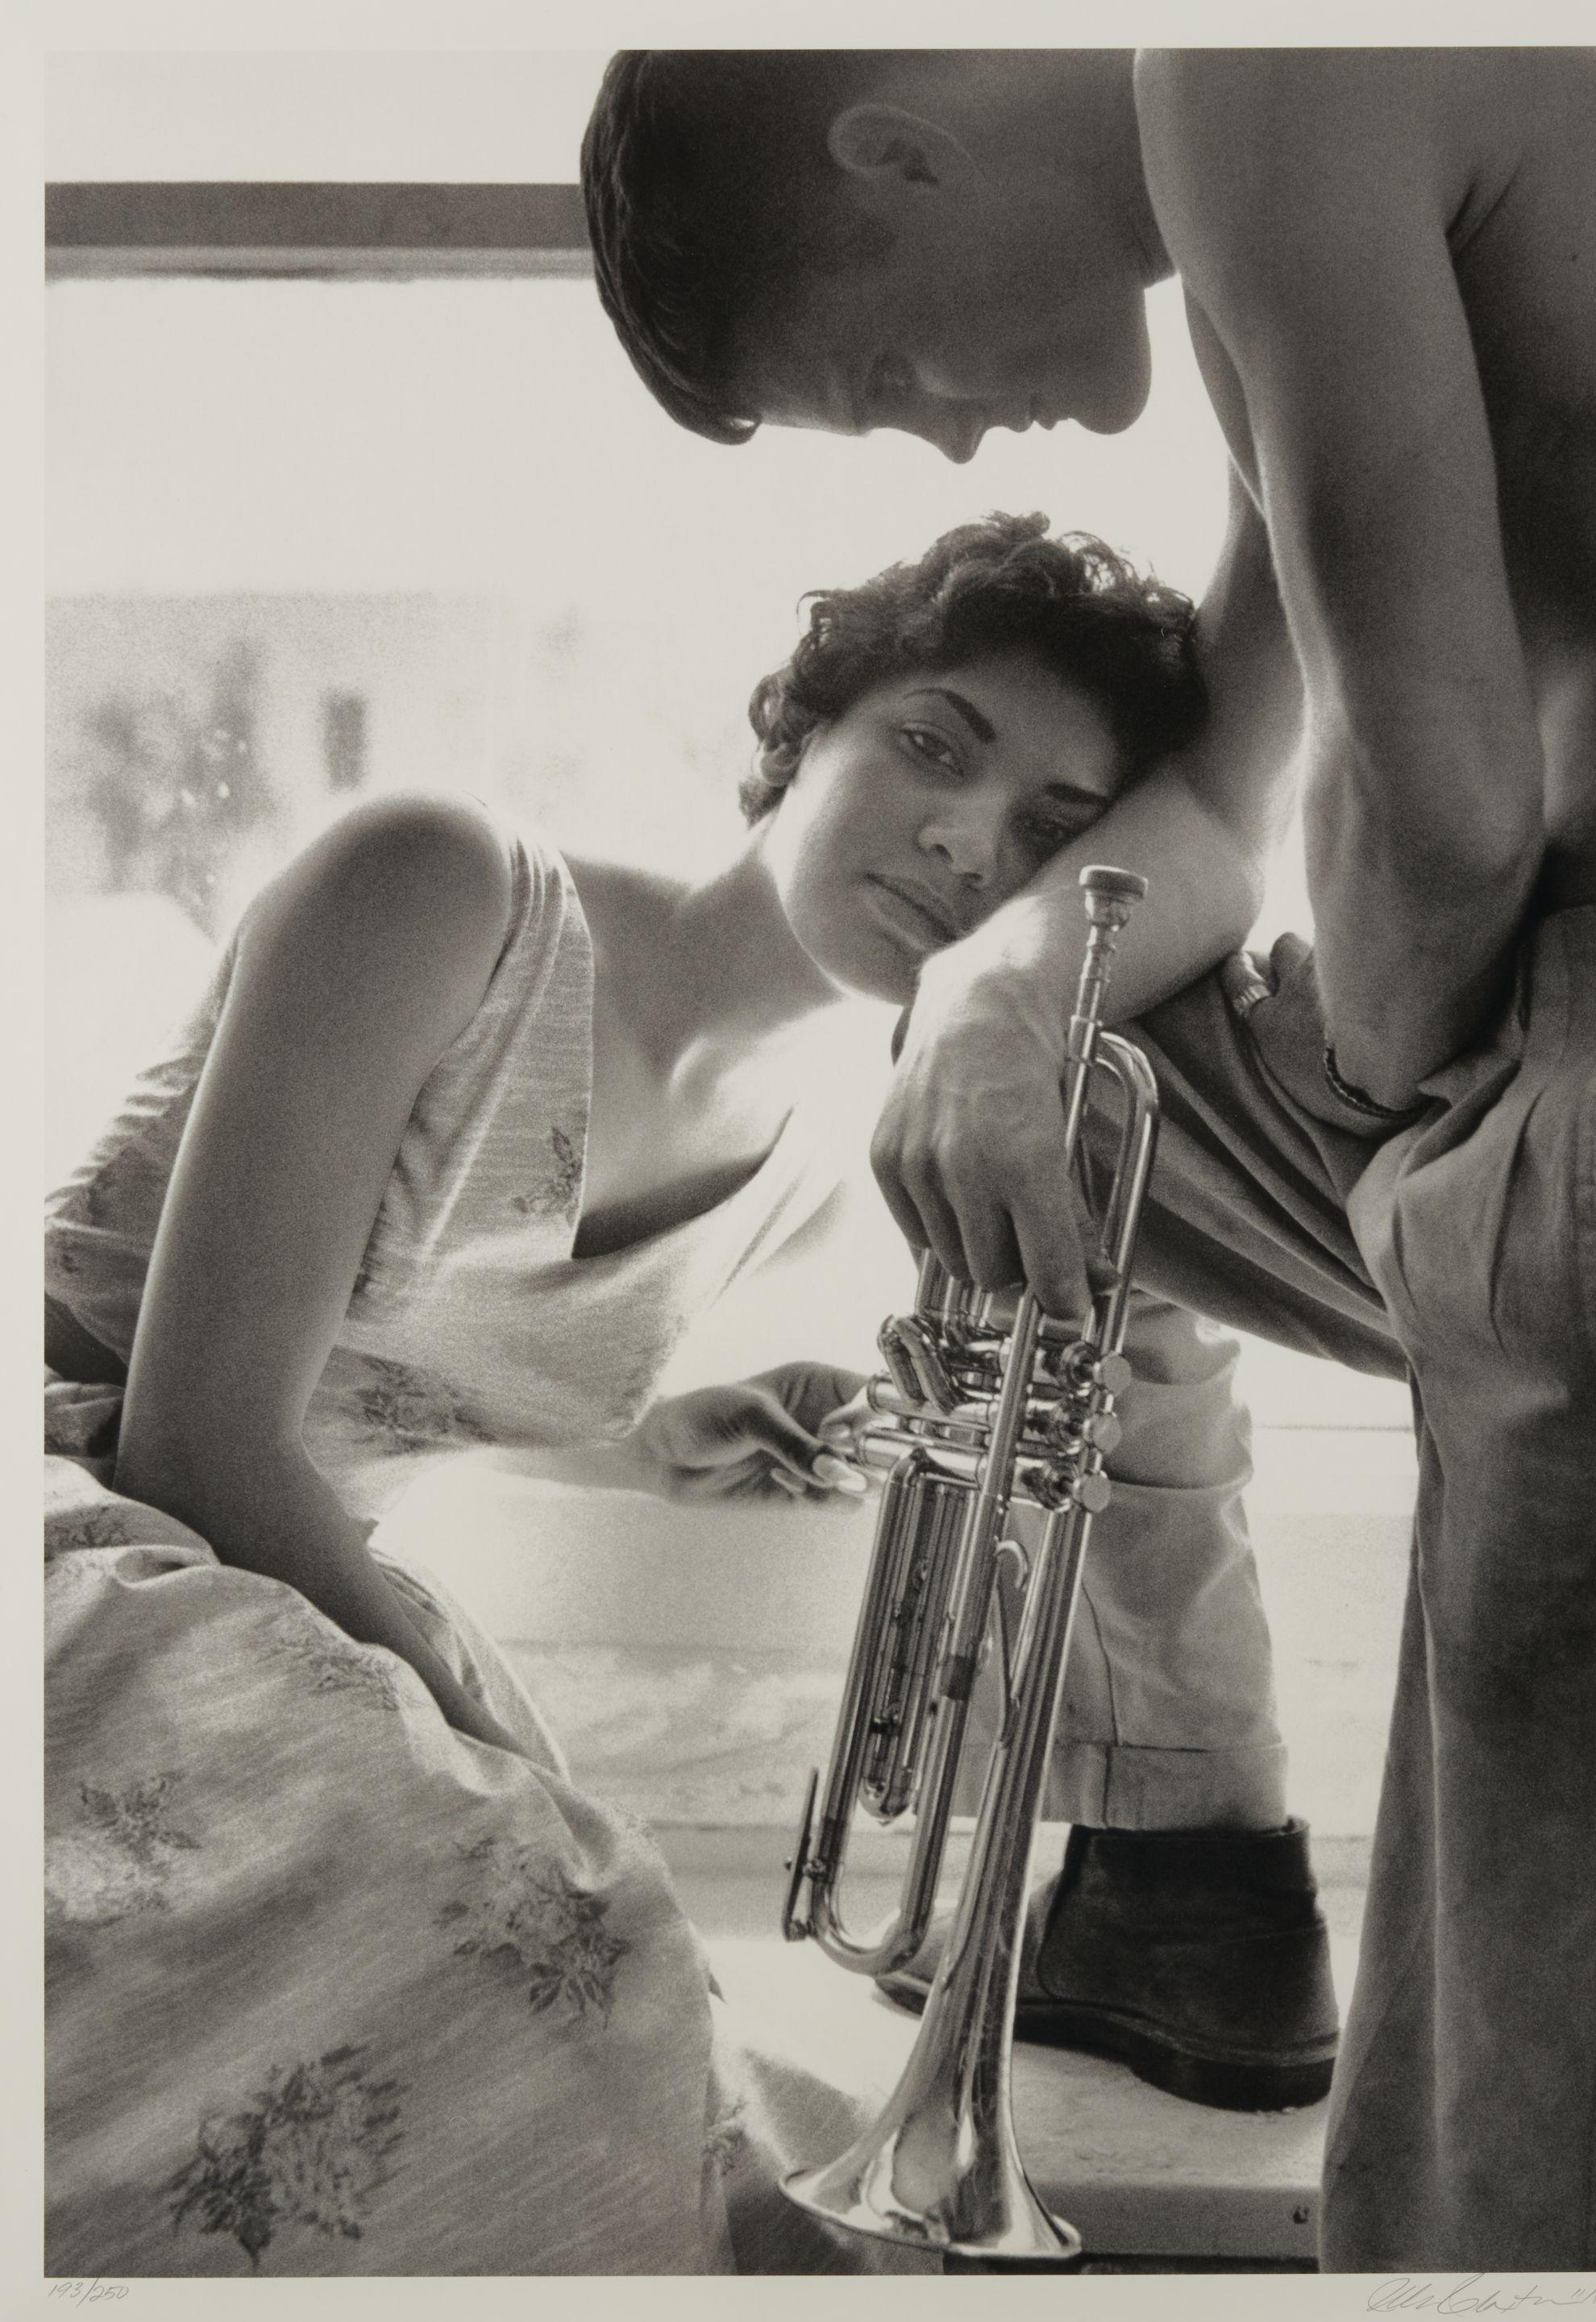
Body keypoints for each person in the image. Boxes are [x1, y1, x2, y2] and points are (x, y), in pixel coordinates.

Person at [580, 48, 1596, 2273]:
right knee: (1040, 1090)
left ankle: (1184, 1859)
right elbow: (1231, 812)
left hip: (1590, 1091)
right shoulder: (1273, 207)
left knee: (1513, 2182)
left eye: (890, 371)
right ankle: (1184, 1859)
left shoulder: (1253, 67)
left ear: (899, 146)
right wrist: (984, 992)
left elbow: (1436, 811)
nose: (955, 436)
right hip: (1540, 1074)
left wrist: (1407, 1078)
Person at [44, 513, 1286, 2275]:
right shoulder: (437, 882)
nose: (961, 837)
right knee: (538, 1940)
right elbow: (199, 1431)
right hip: (81, 1540)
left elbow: (386, 1365)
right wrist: (478, 1737)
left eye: (1045, 836)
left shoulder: (797, 1161)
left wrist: (637, 1433)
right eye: (933, 745)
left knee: (601, 2042)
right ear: (804, 735)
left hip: (244, 1601)